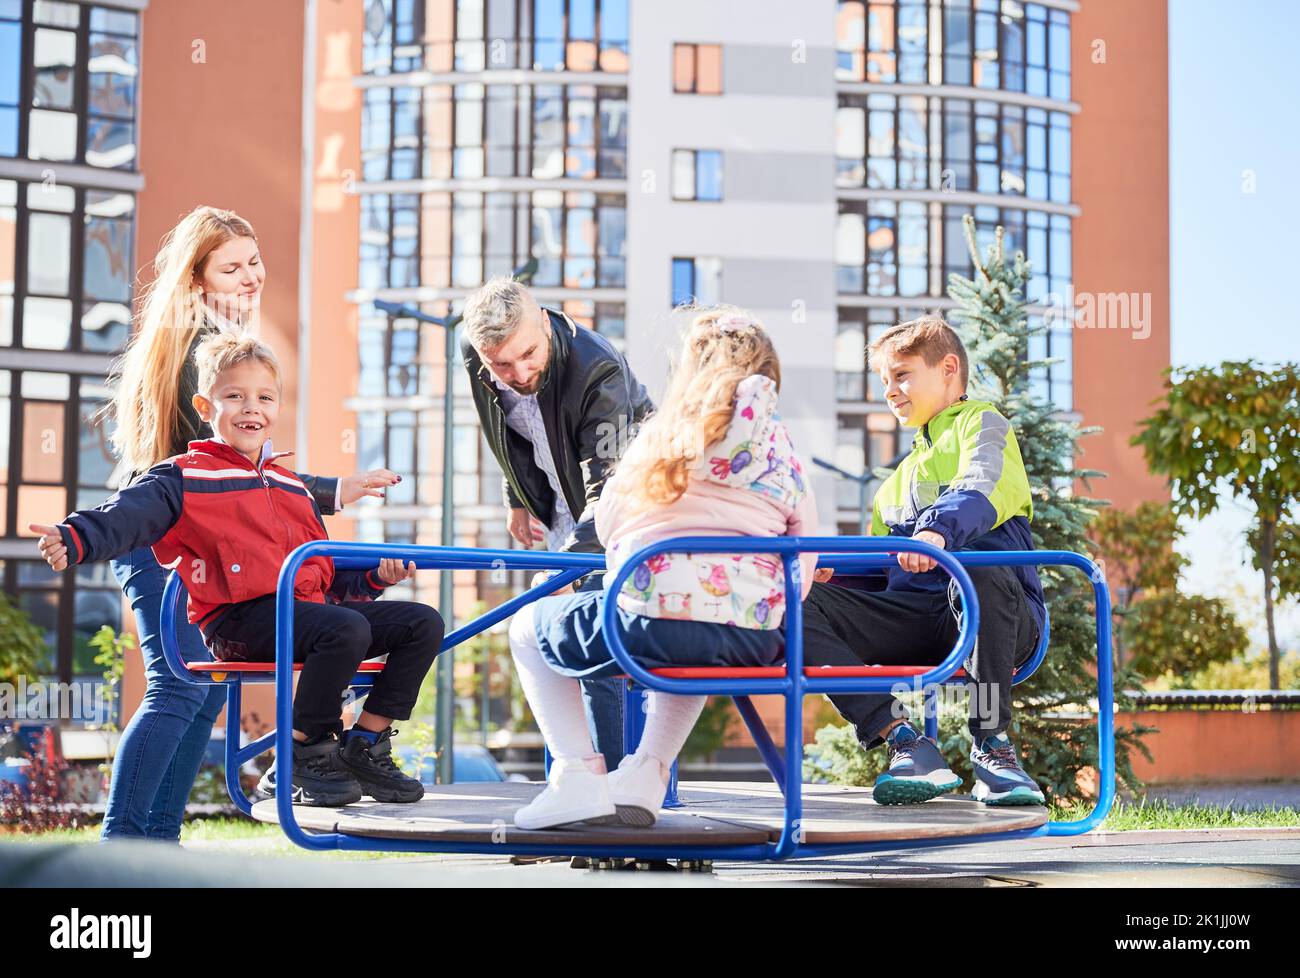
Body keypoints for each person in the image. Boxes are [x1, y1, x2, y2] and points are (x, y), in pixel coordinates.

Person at [83, 205, 399, 838]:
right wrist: (330, 489)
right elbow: (226, 480)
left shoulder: (207, 344)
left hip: (188, 535)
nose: (251, 276)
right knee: (179, 689)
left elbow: (240, 479)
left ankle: (156, 849)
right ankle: (124, 848)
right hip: (166, 536)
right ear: (198, 281)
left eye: (254, 262)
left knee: (206, 692)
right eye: (232, 268)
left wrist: (329, 489)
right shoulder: (206, 355)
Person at [32, 333, 444, 807]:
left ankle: (366, 744)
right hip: (239, 620)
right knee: (343, 628)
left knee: (421, 622)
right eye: (235, 396)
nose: (252, 408)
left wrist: (375, 579)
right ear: (206, 407)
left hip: (304, 612)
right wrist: (76, 536)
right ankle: (308, 749)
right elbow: (127, 513)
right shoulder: (186, 475)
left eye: (264, 397)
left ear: (277, 407)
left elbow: (321, 575)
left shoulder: (291, 487)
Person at [506, 307, 818, 829]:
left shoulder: (660, 437)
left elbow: (609, 529)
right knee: (693, 633)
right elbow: (803, 555)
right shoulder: (781, 447)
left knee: (526, 628)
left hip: (646, 628)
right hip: (756, 639)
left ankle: (577, 773)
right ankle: (646, 774)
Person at [803, 316, 1047, 806]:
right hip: (916, 619)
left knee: (976, 568)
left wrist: (937, 532)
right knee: (794, 596)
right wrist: (836, 573)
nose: (890, 391)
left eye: (902, 375)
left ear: (948, 368)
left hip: (995, 614)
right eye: (884, 382)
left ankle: (994, 748)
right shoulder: (895, 483)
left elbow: (980, 486)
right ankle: (903, 741)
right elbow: (881, 570)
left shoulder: (984, 424)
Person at [461, 277, 652, 770]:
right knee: (547, 644)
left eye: (528, 354)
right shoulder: (477, 353)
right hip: (564, 509)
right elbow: (508, 431)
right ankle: (570, 785)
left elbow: (610, 488)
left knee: (591, 640)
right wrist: (517, 496)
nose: (518, 372)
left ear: (544, 322)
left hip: (630, 510)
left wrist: (569, 569)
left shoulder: (598, 370)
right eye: (500, 364)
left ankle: (608, 792)